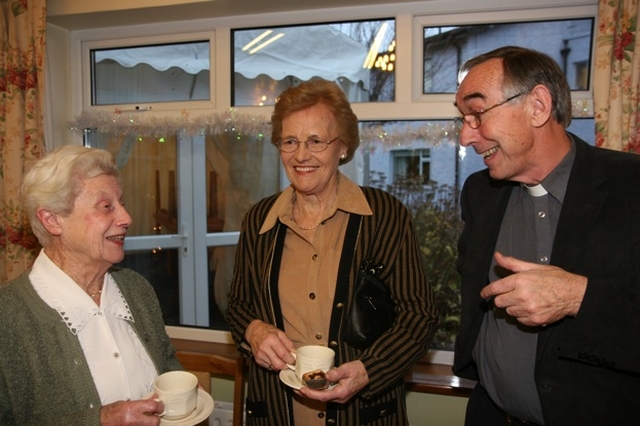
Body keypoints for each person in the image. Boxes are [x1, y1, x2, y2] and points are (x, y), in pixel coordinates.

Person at [226, 78, 438, 425]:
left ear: (342, 147)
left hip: (362, 413)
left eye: (315, 141)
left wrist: (369, 370)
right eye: (289, 141)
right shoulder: (259, 220)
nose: (300, 155)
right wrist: (253, 332)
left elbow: (420, 315)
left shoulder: (384, 215)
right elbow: (238, 306)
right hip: (278, 412)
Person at [453, 45, 640, 425]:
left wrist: (578, 298)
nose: (465, 137)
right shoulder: (480, 192)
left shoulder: (631, 186)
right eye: (462, 119)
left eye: (476, 114)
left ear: (537, 105)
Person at [0, 146, 183, 425]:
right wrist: (99, 420)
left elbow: (166, 361)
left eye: (121, 203)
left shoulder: (136, 289)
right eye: (106, 206)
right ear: (52, 219)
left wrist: (184, 393)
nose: (126, 218)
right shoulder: (8, 316)